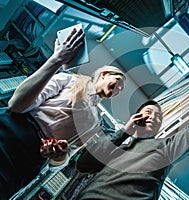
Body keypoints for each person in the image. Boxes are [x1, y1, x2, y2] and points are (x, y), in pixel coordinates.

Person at [75, 44, 189, 199]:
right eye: (149, 112)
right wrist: (125, 131)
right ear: (136, 117)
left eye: (159, 117)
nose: (154, 117)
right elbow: (84, 164)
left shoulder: (166, 147)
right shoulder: (115, 148)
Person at [0, 28, 126, 199]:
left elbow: (59, 164)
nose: (118, 89)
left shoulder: (96, 123)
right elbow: (16, 105)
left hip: (28, 161)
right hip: (10, 132)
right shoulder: (70, 80)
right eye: (118, 82)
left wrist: (59, 155)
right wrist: (57, 59)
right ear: (104, 74)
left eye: (121, 90)